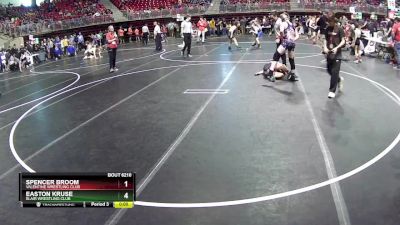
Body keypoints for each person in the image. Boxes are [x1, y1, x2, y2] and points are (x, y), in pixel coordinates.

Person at [262, 13, 299, 82]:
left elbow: (281, 32)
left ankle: (270, 74)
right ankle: (293, 75)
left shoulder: (283, 23)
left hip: (286, 42)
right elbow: (297, 35)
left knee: (276, 56)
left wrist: (282, 39)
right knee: (291, 59)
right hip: (292, 43)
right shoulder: (292, 24)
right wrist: (293, 39)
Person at [323, 15, 345, 99]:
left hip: (337, 54)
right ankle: (339, 79)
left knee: (334, 72)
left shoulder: (339, 29)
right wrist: (324, 47)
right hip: (329, 53)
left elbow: (343, 41)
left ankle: (332, 91)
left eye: (331, 21)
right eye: (328, 21)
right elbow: (325, 39)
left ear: (334, 21)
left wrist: (337, 48)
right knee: (329, 71)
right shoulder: (327, 28)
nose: (329, 23)